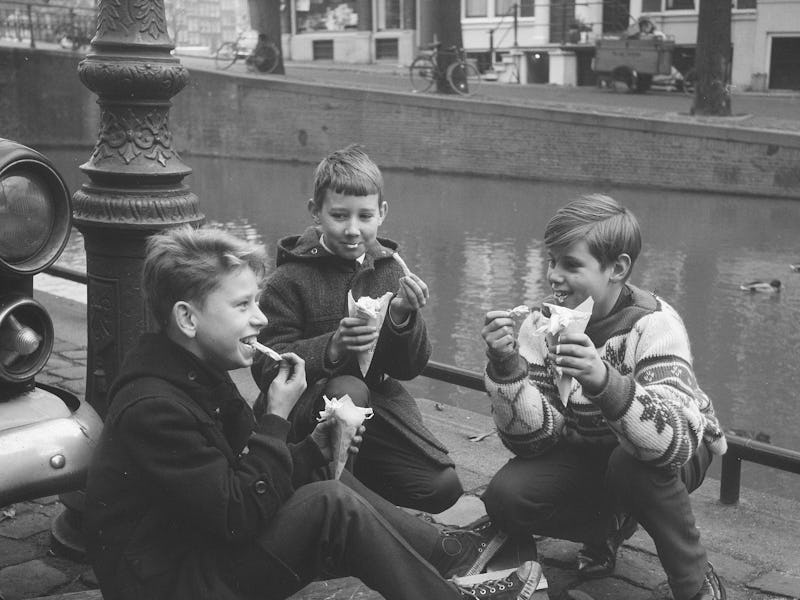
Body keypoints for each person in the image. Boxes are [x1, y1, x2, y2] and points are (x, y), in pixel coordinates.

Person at [83, 225, 542, 600]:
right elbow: (237, 513)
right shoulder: (155, 407)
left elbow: (250, 479)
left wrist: (313, 447)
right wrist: (277, 419)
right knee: (329, 504)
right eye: (243, 306)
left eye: (256, 302)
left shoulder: (196, 368)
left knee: (327, 479)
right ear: (187, 319)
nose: (260, 319)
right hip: (168, 582)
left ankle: (449, 553)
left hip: (199, 552)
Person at [479, 195, 728, 600]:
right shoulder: (541, 327)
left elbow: (675, 443)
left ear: (617, 268)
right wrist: (507, 368)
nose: (553, 276)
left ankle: (695, 582)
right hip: (589, 447)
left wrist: (602, 380)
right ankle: (609, 524)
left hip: (673, 451)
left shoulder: (655, 324)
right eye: (551, 260)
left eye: (571, 265)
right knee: (507, 498)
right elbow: (534, 441)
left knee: (631, 468)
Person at [252, 144, 463, 514]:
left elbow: (409, 368)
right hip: (307, 414)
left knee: (442, 489)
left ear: (381, 213)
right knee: (347, 390)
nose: (353, 230)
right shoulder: (288, 279)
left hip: (378, 410)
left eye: (365, 216)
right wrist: (331, 348)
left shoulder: (391, 270)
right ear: (315, 213)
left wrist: (401, 317)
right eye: (339, 216)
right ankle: (338, 507)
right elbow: (265, 368)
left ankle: (351, 497)